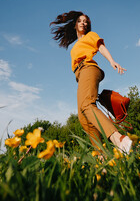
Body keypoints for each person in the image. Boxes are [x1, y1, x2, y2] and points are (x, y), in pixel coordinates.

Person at [50, 11, 132, 154]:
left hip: (89, 68)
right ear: (75, 25)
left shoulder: (91, 36)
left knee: (87, 105)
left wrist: (112, 61)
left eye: (86, 21)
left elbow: (101, 47)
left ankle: (119, 139)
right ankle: (101, 156)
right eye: (80, 21)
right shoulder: (76, 45)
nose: (83, 23)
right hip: (80, 75)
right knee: (83, 117)